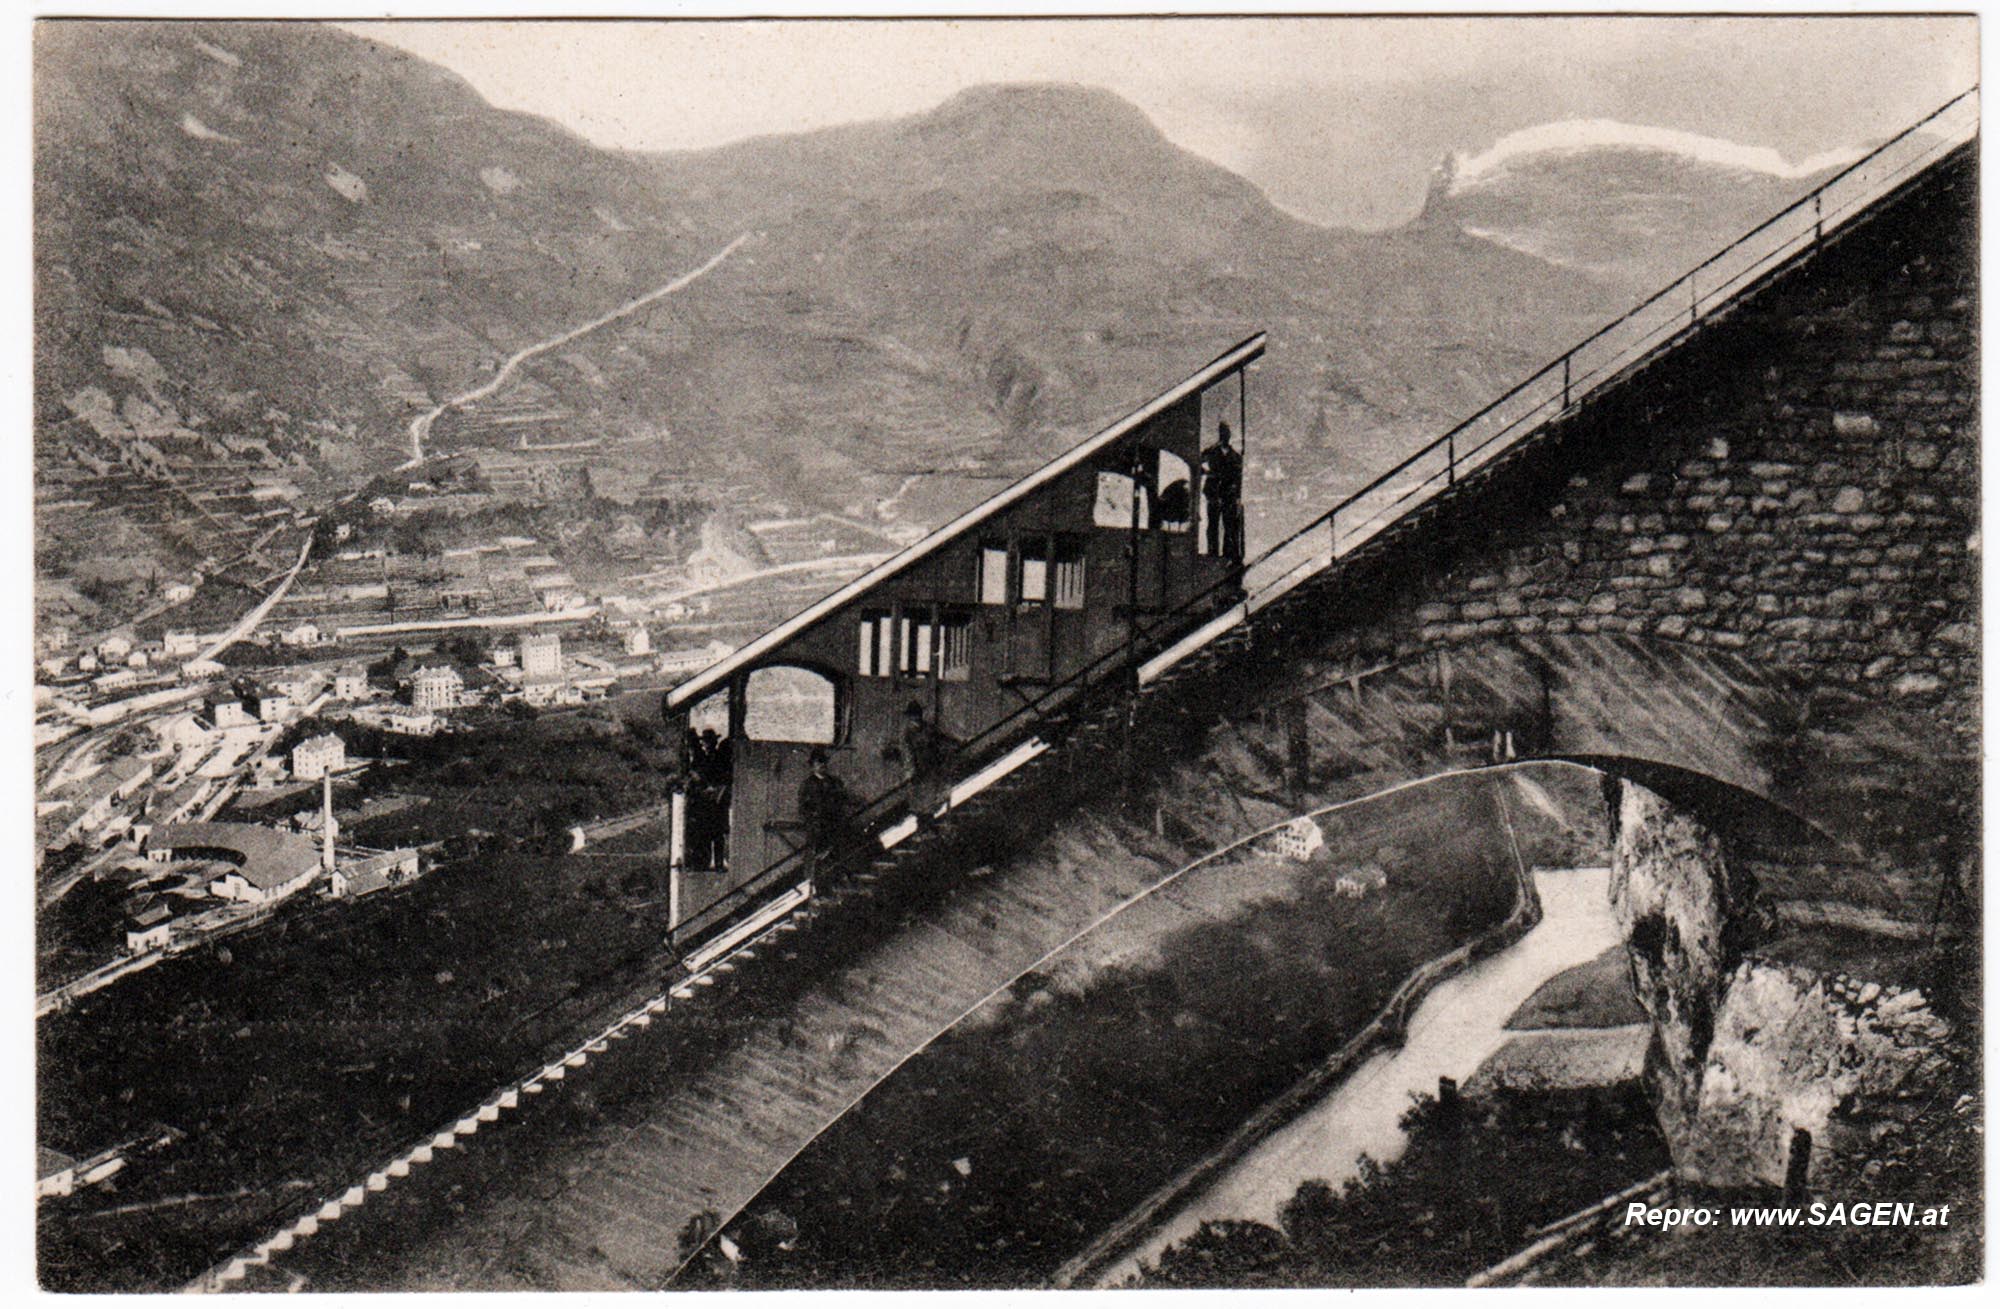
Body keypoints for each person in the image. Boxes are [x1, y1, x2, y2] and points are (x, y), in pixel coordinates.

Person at [796, 747, 853, 882]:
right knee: (819, 859)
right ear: (812, 766)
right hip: (818, 828)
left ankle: (838, 881)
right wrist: (812, 821)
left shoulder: (834, 782)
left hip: (834, 825)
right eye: (818, 763)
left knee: (837, 855)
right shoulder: (808, 785)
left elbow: (843, 799)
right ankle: (820, 888)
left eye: (823, 763)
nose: (822, 766)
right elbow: (803, 808)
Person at [899, 700, 953, 821]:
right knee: (919, 800)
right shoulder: (907, 733)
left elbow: (942, 738)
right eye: (913, 715)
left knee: (931, 797)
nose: (915, 718)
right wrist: (911, 772)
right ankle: (921, 822)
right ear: (909, 717)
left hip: (930, 768)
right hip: (918, 770)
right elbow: (907, 753)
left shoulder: (929, 728)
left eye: (917, 714)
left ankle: (929, 820)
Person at [1200, 421, 1244, 559]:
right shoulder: (1211, 452)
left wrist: (1237, 497)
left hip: (1227, 494)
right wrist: (1207, 473)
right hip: (1213, 492)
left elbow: (1238, 478)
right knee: (1213, 524)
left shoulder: (1235, 456)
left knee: (1228, 524)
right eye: (1223, 432)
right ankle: (1213, 552)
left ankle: (1227, 554)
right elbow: (1197, 462)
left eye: (1226, 433)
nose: (1225, 436)